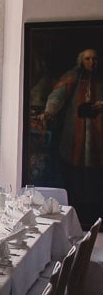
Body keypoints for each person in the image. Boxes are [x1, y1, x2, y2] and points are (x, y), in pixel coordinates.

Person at [39, 48, 103, 224]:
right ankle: (76, 208)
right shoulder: (72, 76)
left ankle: (94, 209)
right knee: (73, 171)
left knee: (95, 175)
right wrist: (49, 112)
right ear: (81, 61)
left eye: (95, 59)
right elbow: (57, 95)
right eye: (88, 59)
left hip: (98, 133)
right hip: (75, 132)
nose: (92, 62)